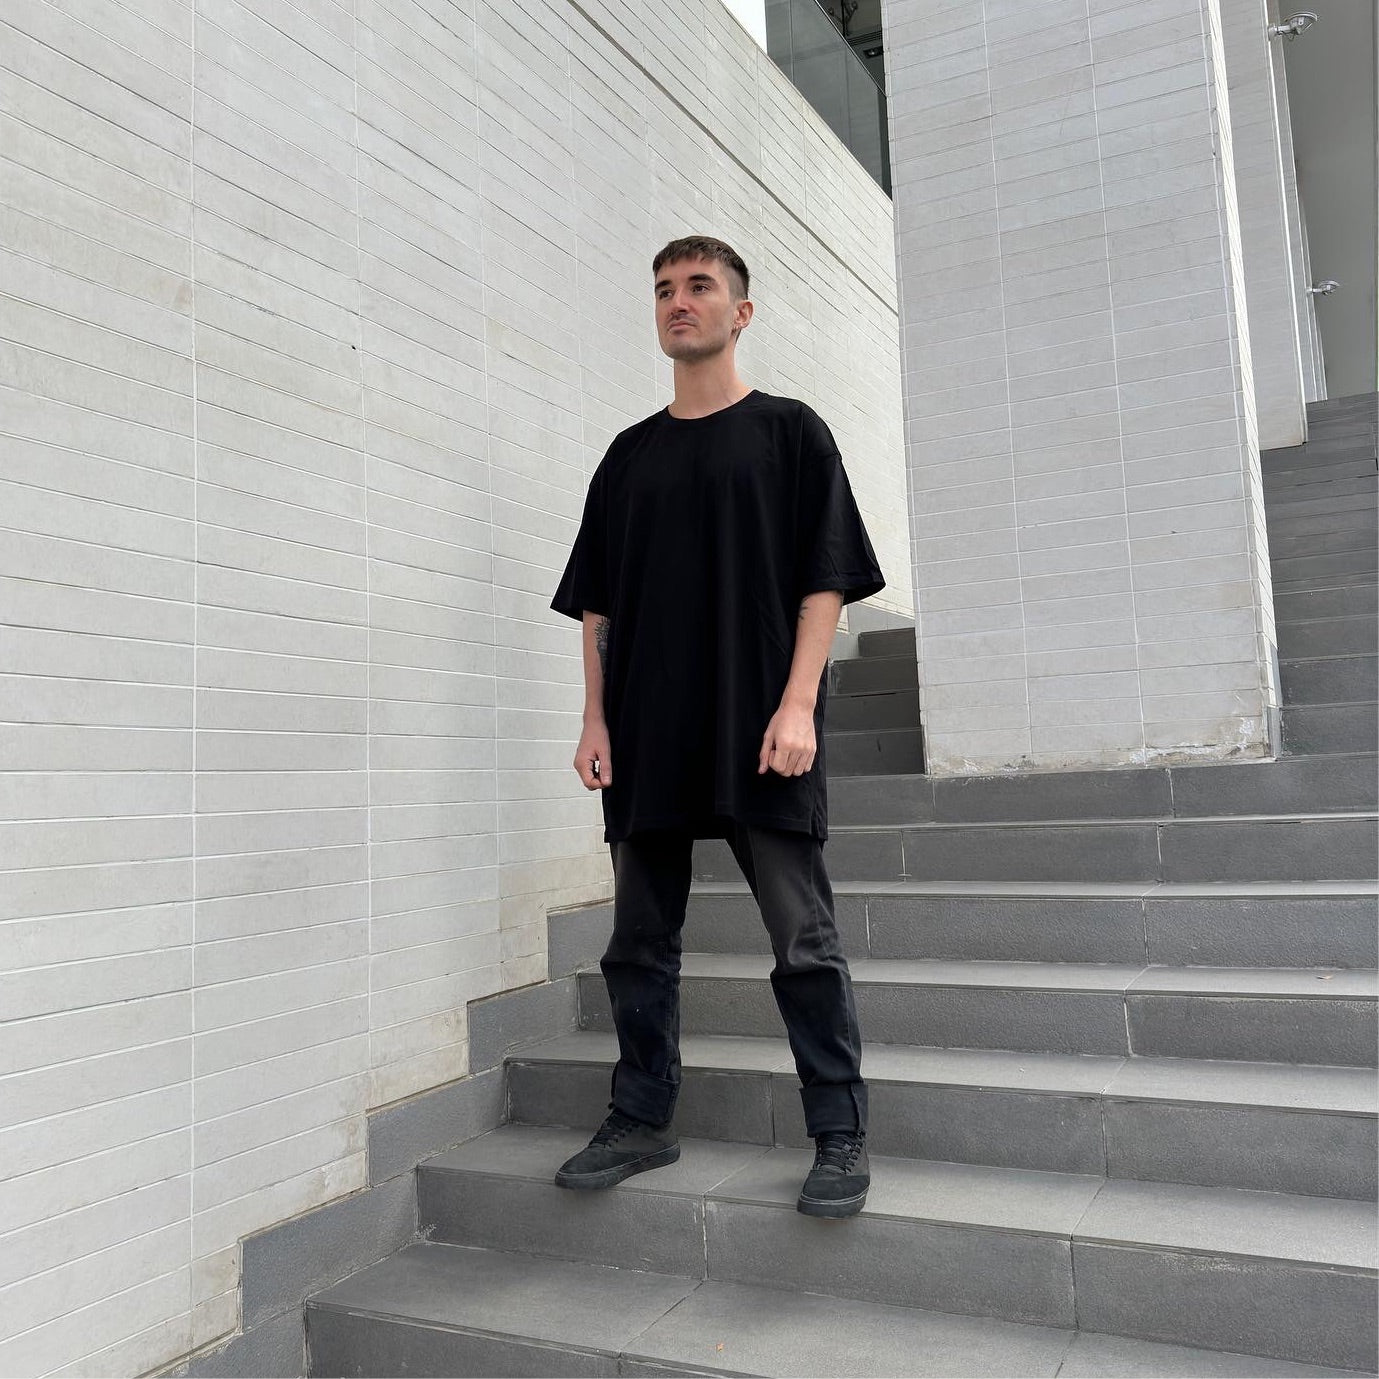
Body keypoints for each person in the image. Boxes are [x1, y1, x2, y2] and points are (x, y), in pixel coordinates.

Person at [548, 235, 885, 1218]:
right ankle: (639, 1115)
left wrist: (796, 702)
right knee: (636, 941)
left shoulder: (790, 434)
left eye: (698, 287)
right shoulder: (626, 456)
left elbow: (826, 579)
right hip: (648, 731)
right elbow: (598, 609)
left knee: (802, 935)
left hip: (758, 723)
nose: (676, 302)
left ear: (740, 312)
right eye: (661, 289)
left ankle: (838, 1128)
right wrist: (593, 718)